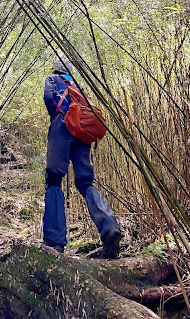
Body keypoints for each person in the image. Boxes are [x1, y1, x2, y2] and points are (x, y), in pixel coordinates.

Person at [42, 59, 121, 257]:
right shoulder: (79, 86)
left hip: (62, 125)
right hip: (82, 131)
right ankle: (109, 227)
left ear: (56, 69)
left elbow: (48, 98)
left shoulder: (52, 79)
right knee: (85, 182)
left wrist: (59, 118)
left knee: (54, 179)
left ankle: (54, 241)